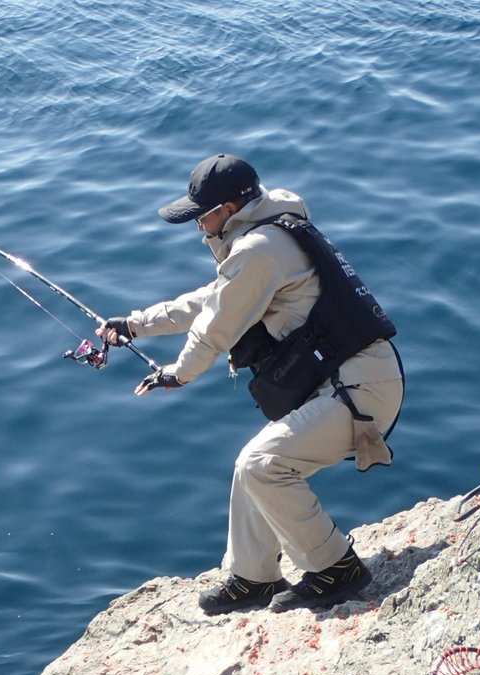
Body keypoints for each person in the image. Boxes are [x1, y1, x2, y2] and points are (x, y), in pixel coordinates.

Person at [97, 154, 403, 614]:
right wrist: (134, 325)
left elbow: (215, 328)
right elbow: (212, 300)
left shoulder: (258, 250)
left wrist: (178, 375)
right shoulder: (268, 238)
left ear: (231, 208)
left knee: (263, 464)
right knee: (253, 466)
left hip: (356, 390)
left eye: (204, 216)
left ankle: (336, 568)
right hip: (354, 378)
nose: (200, 228)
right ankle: (254, 577)